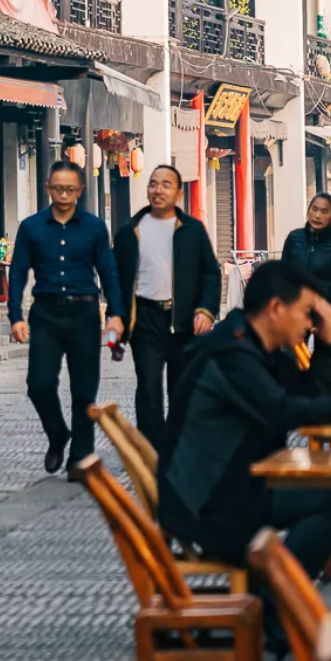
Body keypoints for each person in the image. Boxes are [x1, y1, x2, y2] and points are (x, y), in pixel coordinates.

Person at [157, 260, 331, 656]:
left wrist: (327, 339)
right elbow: (283, 410)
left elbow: (308, 395)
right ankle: (276, 605)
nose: (309, 322)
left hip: (234, 485)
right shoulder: (231, 352)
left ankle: (279, 599)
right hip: (208, 503)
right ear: (274, 309)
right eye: (305, 313)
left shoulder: (251, 343)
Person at [9, 160, 125, 480]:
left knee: (84, 389)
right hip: (46, 313)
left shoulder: (94, 227)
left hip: (84, 313)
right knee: (39, 384)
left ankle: (80, 456)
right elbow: (18, 272)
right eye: (58, 188)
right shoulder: (31, 227)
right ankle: (58, 434)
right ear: (48, 188)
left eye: (70, 189)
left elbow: (109, 272)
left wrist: (116, 314)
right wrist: (15, 316)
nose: (63, 195)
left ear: (80, 190)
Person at [113, 165, 221, 454]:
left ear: (179, 193)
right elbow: (116, 279)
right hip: (145, 319)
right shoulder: (129, 232)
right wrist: (117, 318)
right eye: (153, 184)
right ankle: (152, 451)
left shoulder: (192, 230)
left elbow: (210, 273)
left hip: (182, 321)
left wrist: (206, 310)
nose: (158, 190)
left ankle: (179, 446)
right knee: (148, 387)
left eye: (166, 185)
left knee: (182, 387)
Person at [281, 193, 331, 313]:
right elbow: (283, 272)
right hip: (296, 309)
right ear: (309, 210)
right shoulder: (294, 238)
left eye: (324, 211)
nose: (317, 215)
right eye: (314, 209)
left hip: (325, 311)